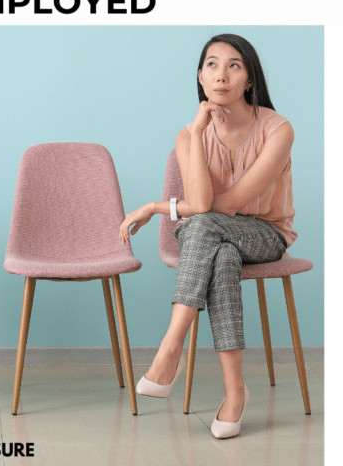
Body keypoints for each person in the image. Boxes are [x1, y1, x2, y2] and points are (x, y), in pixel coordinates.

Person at [119, 33, 295, 439]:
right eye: (212, 65)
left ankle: (170, 348)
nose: (221, 76)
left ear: (249, 79)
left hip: (267, 234)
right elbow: (199, 201)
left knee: (202, 225)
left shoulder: (278, 129)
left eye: (234, 65)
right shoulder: (188, 135)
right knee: (222, 256)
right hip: (220, 237)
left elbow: (227, 204)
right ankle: (235, 393)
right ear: (200, 77)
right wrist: (197, 135)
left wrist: (155, 207)